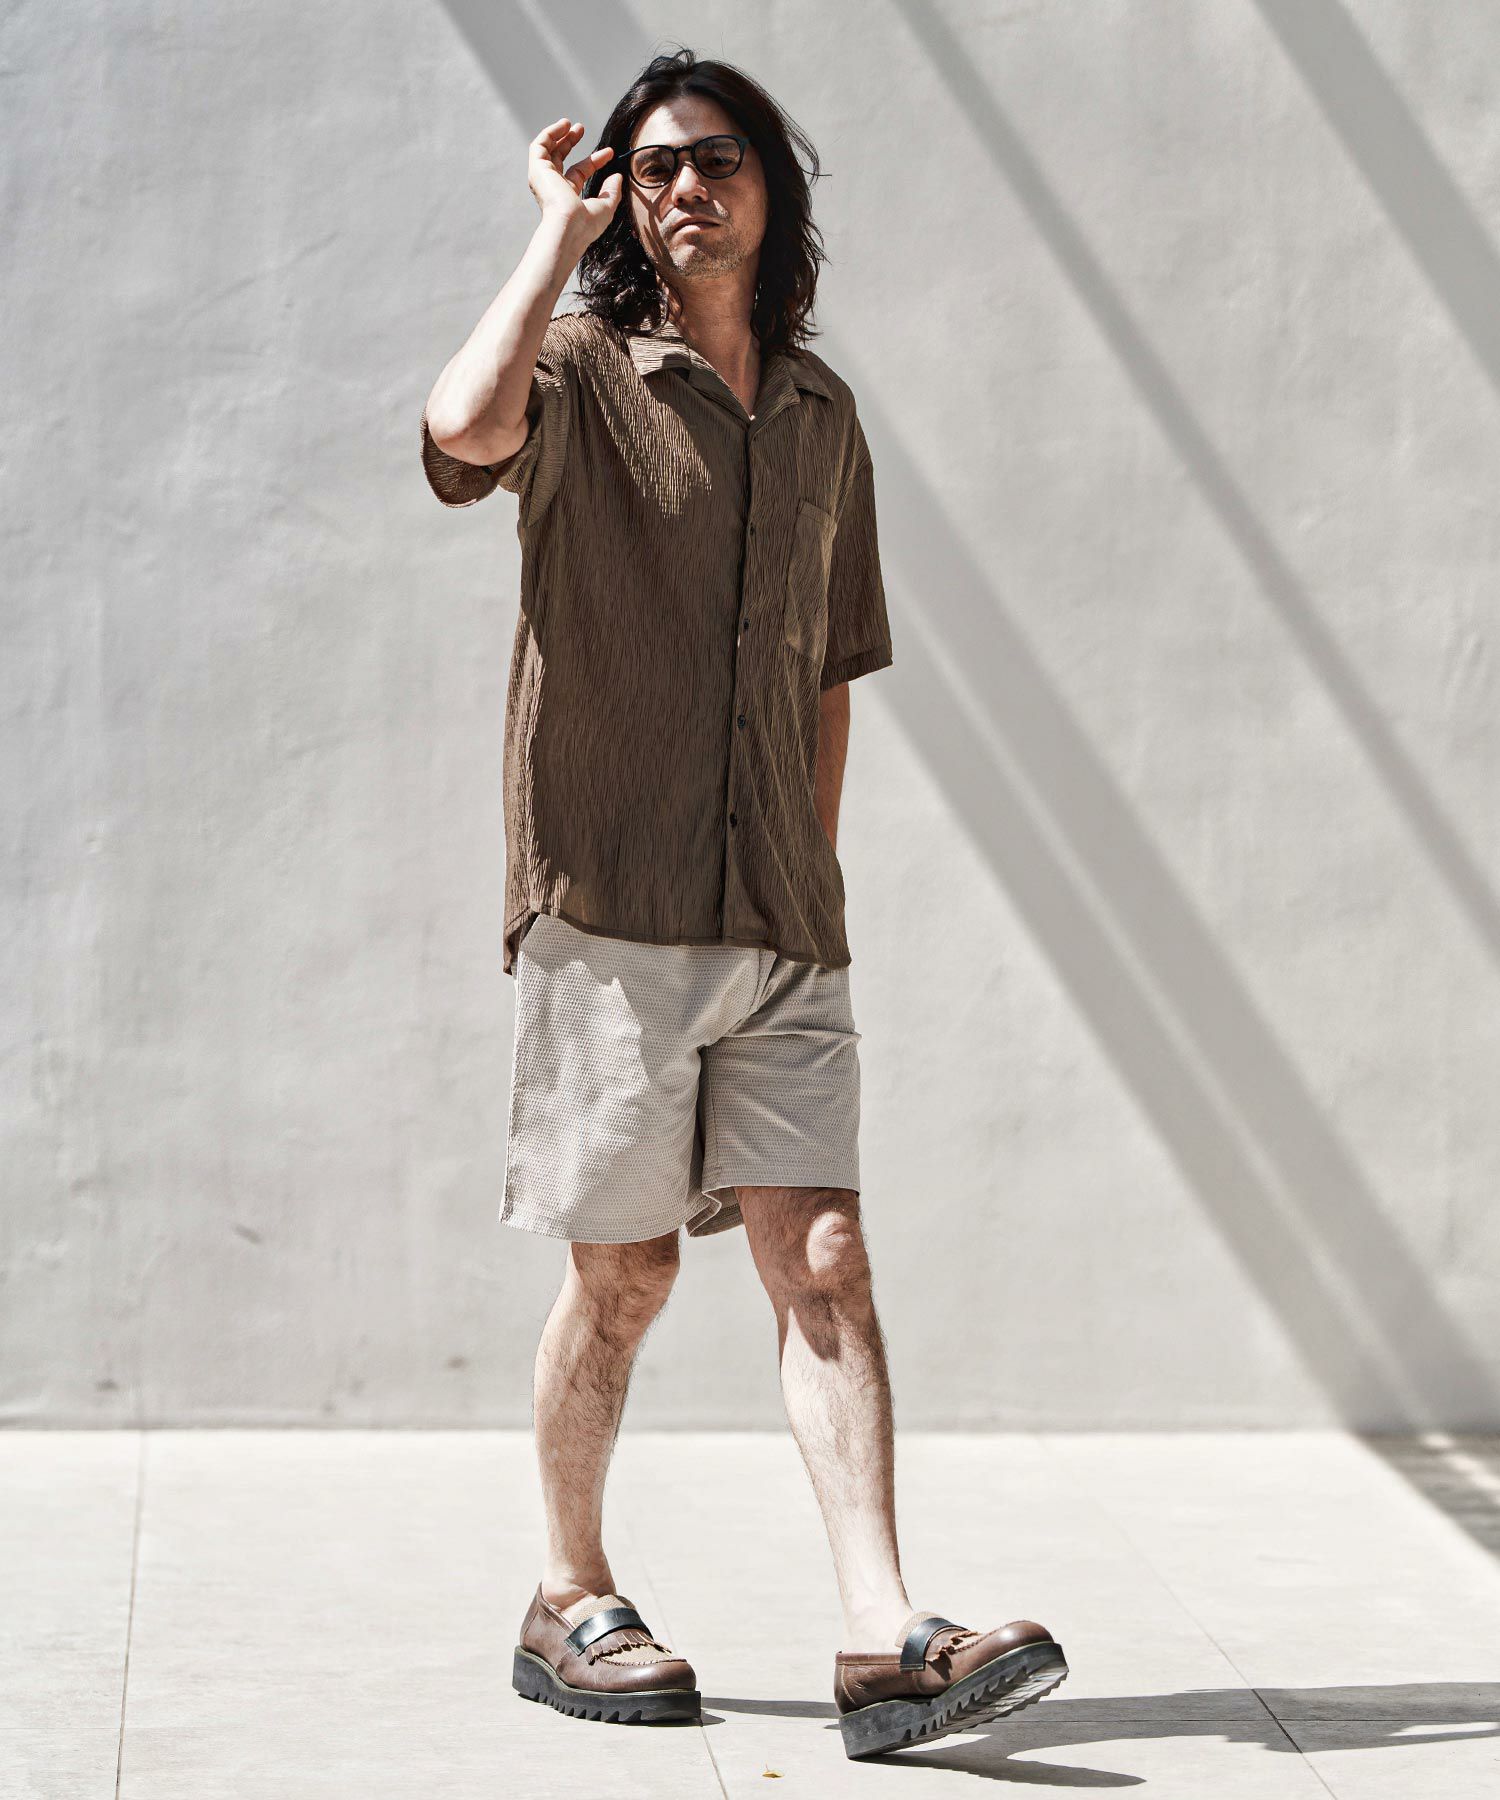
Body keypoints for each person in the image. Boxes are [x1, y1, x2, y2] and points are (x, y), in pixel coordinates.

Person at [420, 47, 1067, 1759]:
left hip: (781, 911)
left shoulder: (825, 417)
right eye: (649, 168)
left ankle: (884, 1632)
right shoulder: (578, 372)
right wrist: (553, 236)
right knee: (627, 1277)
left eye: (714, 159)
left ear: (772, 185)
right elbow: (460, 431)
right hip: (612, 898)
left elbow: (830, 670)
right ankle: (569, 1594)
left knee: (826, 1260)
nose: (682, 187)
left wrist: (814, 875)